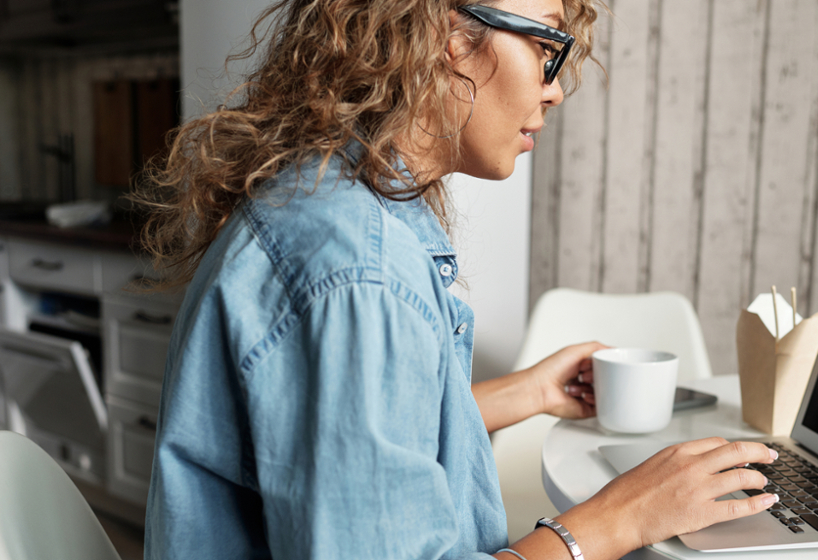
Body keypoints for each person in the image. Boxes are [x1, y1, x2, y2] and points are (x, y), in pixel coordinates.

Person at [133, 1, 778, 559]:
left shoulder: (329, 205)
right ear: (449, 34)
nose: (554, 89)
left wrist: (526, 393)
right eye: (547, 43)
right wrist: (621, 517)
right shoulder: (360, 274)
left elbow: (349, 443)